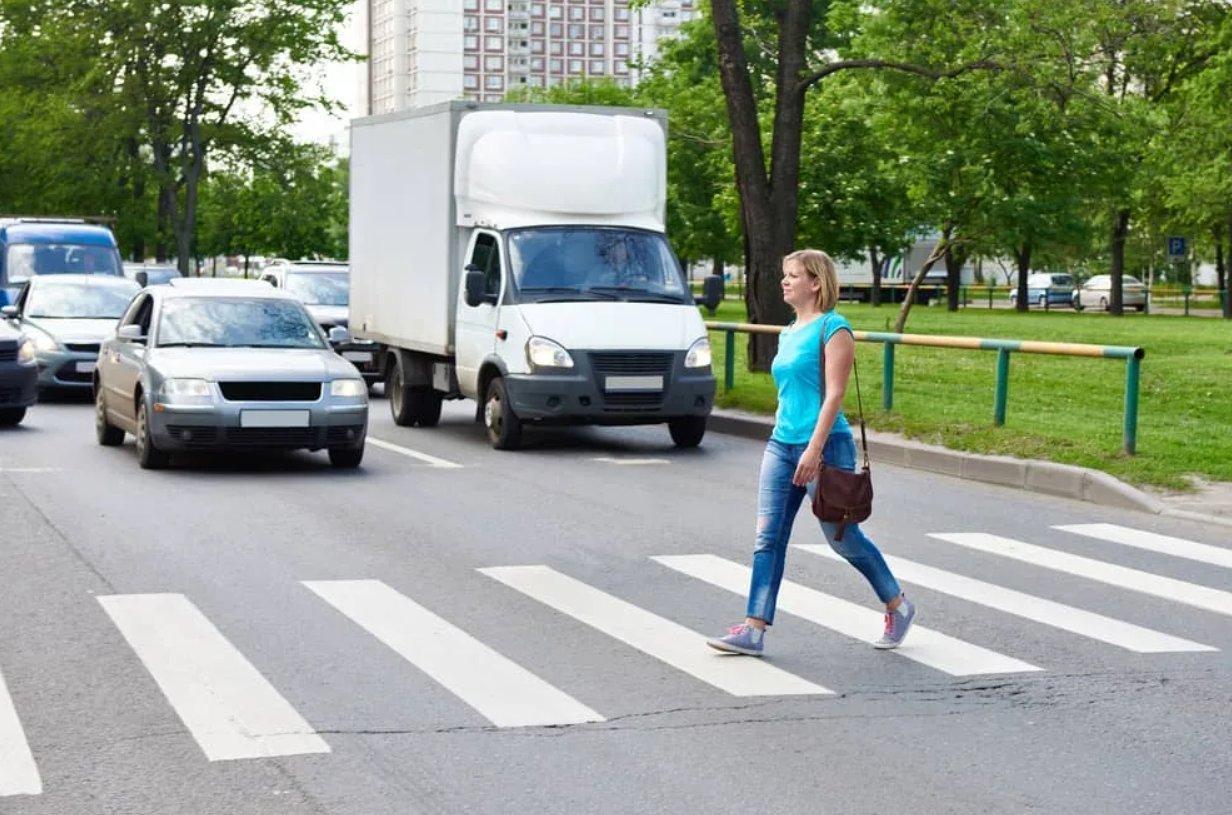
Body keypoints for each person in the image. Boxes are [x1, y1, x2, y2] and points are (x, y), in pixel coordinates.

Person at [707, 249, 916, 656]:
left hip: (825, 446)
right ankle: (754, 628)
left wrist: (814, 449)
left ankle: (898, 605)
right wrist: (789, 440)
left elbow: (835, 394)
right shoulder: (788, 332)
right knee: (767, 538)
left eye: (793, 276)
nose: (784, 282)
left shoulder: (834, 328)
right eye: (784, 275)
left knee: (841, 538)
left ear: (816, 282)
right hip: (781, 444)